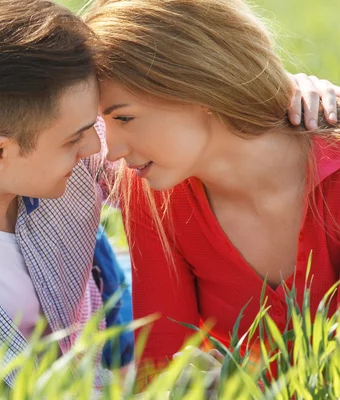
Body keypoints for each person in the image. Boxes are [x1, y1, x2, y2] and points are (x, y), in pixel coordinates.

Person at [0, 0, 335, 397]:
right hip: (24, 364)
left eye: (109, 122)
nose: (101, 148)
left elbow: (189, 99)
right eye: (79, 137)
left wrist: (275, 97)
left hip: (91, 304)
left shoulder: (63, 129)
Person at [83, 0, 340, 381]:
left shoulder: (332, 175)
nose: (114, 150)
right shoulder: (151, 193)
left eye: (125, 117)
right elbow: (160, 368)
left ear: (197, 84)